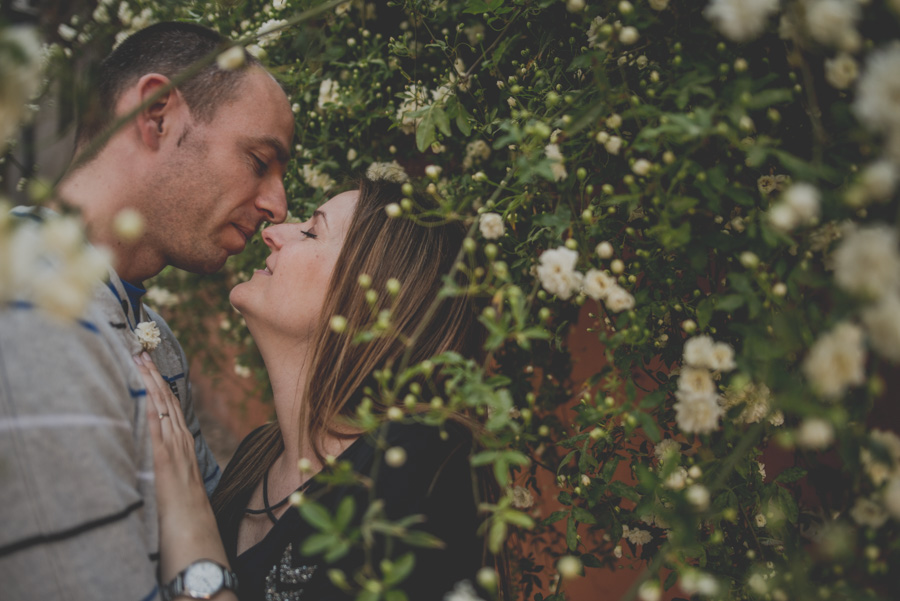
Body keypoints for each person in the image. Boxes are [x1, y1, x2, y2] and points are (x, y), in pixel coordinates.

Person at [0, 21, 294, 600]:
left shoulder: (152, 335)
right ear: (157, 115)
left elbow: (214, 533)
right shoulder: (32, 311)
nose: (277, 207)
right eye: (260, 162)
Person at [136, 176, 494, 601]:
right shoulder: (258, 455)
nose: (271, 233)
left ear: (371, 292)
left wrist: (187, 521)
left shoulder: (425, 456)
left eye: (311, 231)